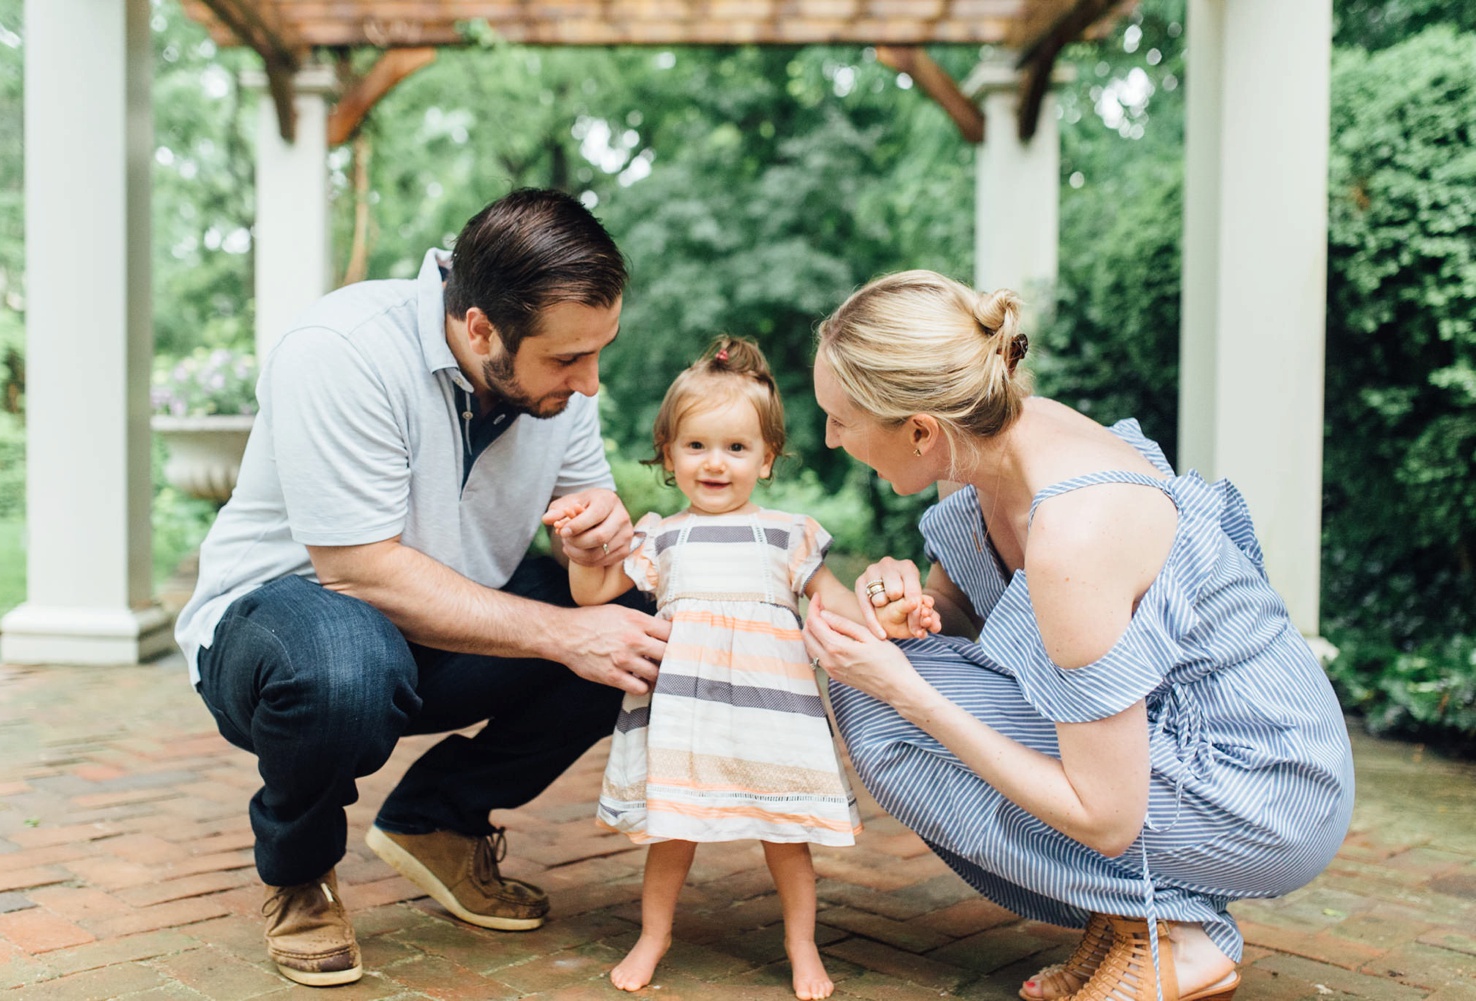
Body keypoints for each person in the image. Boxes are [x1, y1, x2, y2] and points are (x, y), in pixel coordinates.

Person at [802, 270, 1355, 1001]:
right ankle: (1131, 917)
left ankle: (1173, 932)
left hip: (1266, 786)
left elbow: (1105, 815)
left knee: (885, 697)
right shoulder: (980, 447)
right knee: (877, 670)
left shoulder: (1075, 527)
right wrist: (906, 604)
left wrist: (906, 690)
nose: (831, 437)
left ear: (919, 430)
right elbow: (965, 612)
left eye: (839, 418)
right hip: (1166, 741)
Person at [174, 188, 671, 987]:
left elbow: (587, 573)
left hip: (443, 635)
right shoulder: (340, 349)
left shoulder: (558, 380)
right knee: (345, 659)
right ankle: (298, 876)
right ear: (479, 328)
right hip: (284, 636)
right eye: (570, 358)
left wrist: (599, 529)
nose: (591, 382)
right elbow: (358, 570)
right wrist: (567, 635)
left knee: (641, 622)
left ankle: (438, 818)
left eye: (600, 350)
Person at [549, 337, 936, 1000]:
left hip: (770, 715)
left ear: (767, 457)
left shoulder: (788, 533)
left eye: (736, 447)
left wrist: (885, 619)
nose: (715, 463)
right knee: (671, 835)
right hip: (688, 718)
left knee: (786, 839)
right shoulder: (659, 535)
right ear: (668, 453)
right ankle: (653, 936)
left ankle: (802, 947)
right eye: (696, 445)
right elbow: (592, 592)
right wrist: (580, 543)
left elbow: (835, 602)